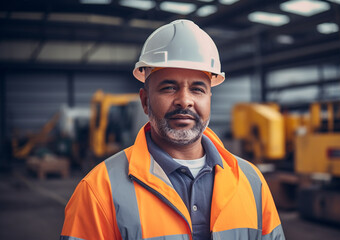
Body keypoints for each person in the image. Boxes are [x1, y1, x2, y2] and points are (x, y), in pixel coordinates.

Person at [60, 19, 285, 240]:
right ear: (145, 100)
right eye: (169, 88)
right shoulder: (99, 190)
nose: (184, 101)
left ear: (209, 100)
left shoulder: (251, 181)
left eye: (197, 89)